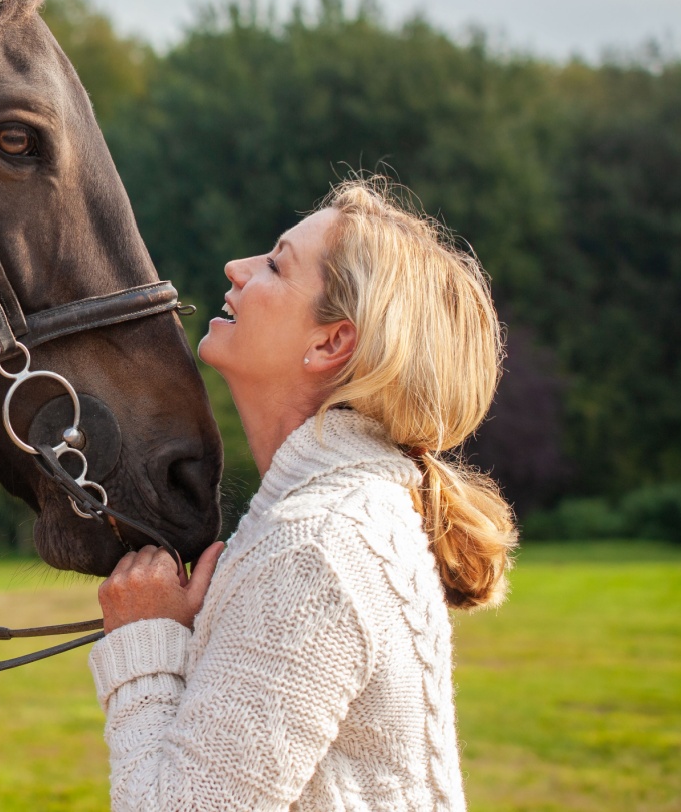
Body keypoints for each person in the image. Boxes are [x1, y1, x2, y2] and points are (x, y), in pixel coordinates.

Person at [90, 176, 517, 811]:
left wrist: (145, 645)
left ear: (330, 342)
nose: (236, 269)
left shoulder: (313, 550)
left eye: (275, 265)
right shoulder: (342, 521)